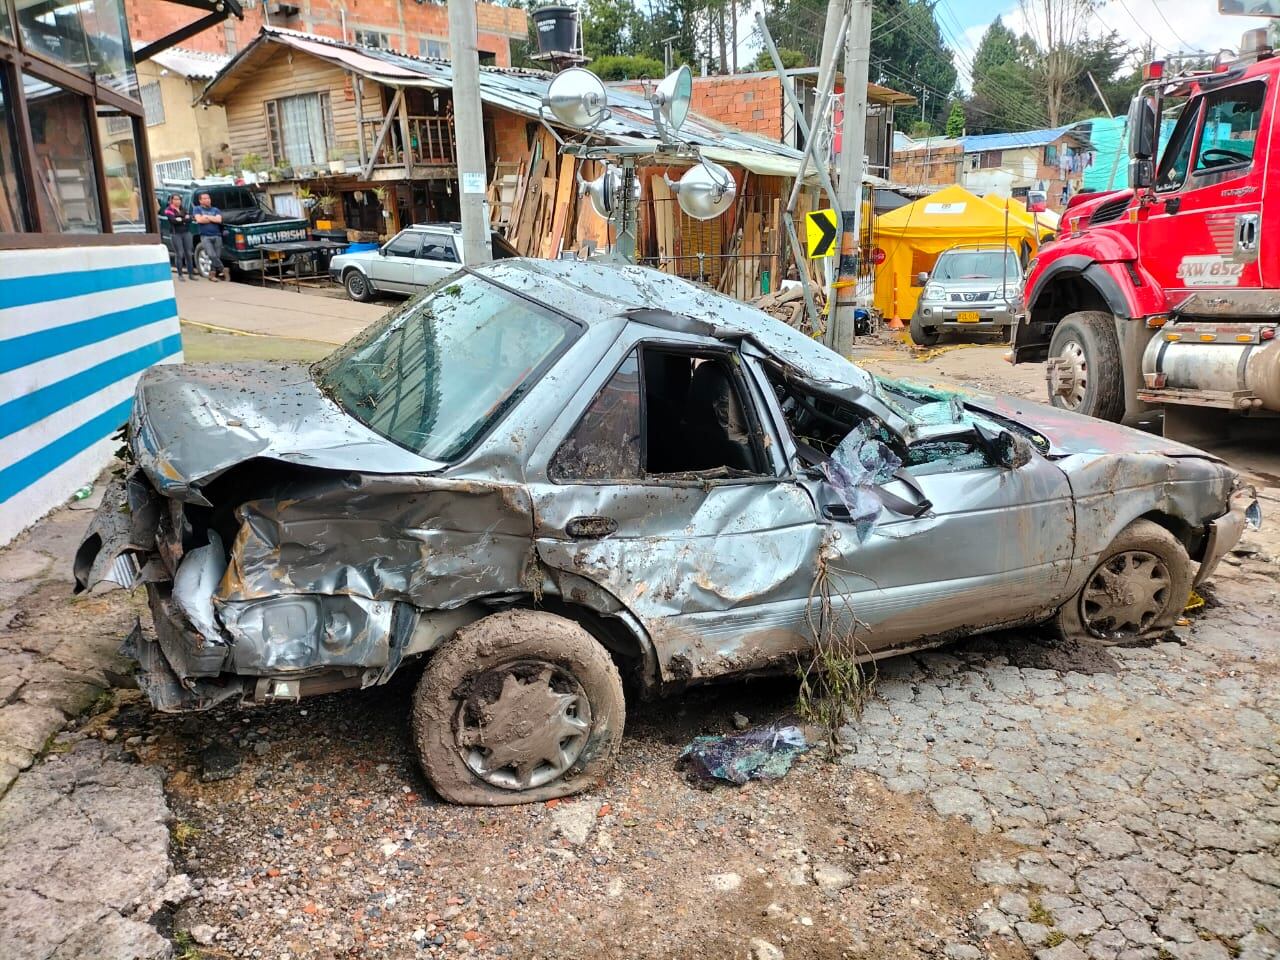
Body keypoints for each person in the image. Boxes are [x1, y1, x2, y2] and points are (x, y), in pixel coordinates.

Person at [193, 192, 227, 281]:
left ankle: (212, 275)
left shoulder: (215, 209)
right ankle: (223, 269)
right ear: (200, 200)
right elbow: (199, 220)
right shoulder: (197, 209)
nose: (207, 200)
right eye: (204, 198)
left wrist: (207, 217)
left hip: (217, 235)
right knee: (211, 255)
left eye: (208, 198)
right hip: (205, 236)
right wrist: (212, 219)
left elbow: (219, 220)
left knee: (217, 256)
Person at [162, 194, 196, 281]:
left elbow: (190, 219)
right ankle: (180, 274)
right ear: (171, 200)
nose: (178, 201)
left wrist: (181, 219)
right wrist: (183, 218)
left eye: (179, 199)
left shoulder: (183, 209)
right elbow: (173, 221)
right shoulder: (168, 210)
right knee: (179, 254)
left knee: (189, 253)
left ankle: (191, 274)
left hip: (186, 233)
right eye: (175, 199)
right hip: (176, 234)